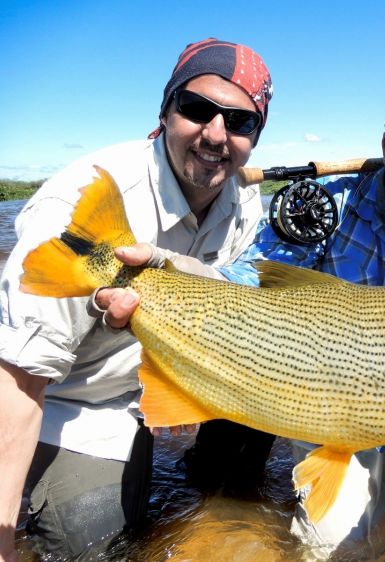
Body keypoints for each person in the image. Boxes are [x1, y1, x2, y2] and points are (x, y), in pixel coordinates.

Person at [99, 57, 385, 560]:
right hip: (322, 399)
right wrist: (167, 275)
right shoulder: (319, 207)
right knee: (342, 549)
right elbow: (243, 294)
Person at [0, 37, 274, 561]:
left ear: (255, 136)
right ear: (166, 110)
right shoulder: (78, 207)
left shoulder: (243, 201)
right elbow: (18, 380)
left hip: (149, 385)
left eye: (240, 123)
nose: (216, 135)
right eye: (198, 110)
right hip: (68, 398)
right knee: (90, 541)